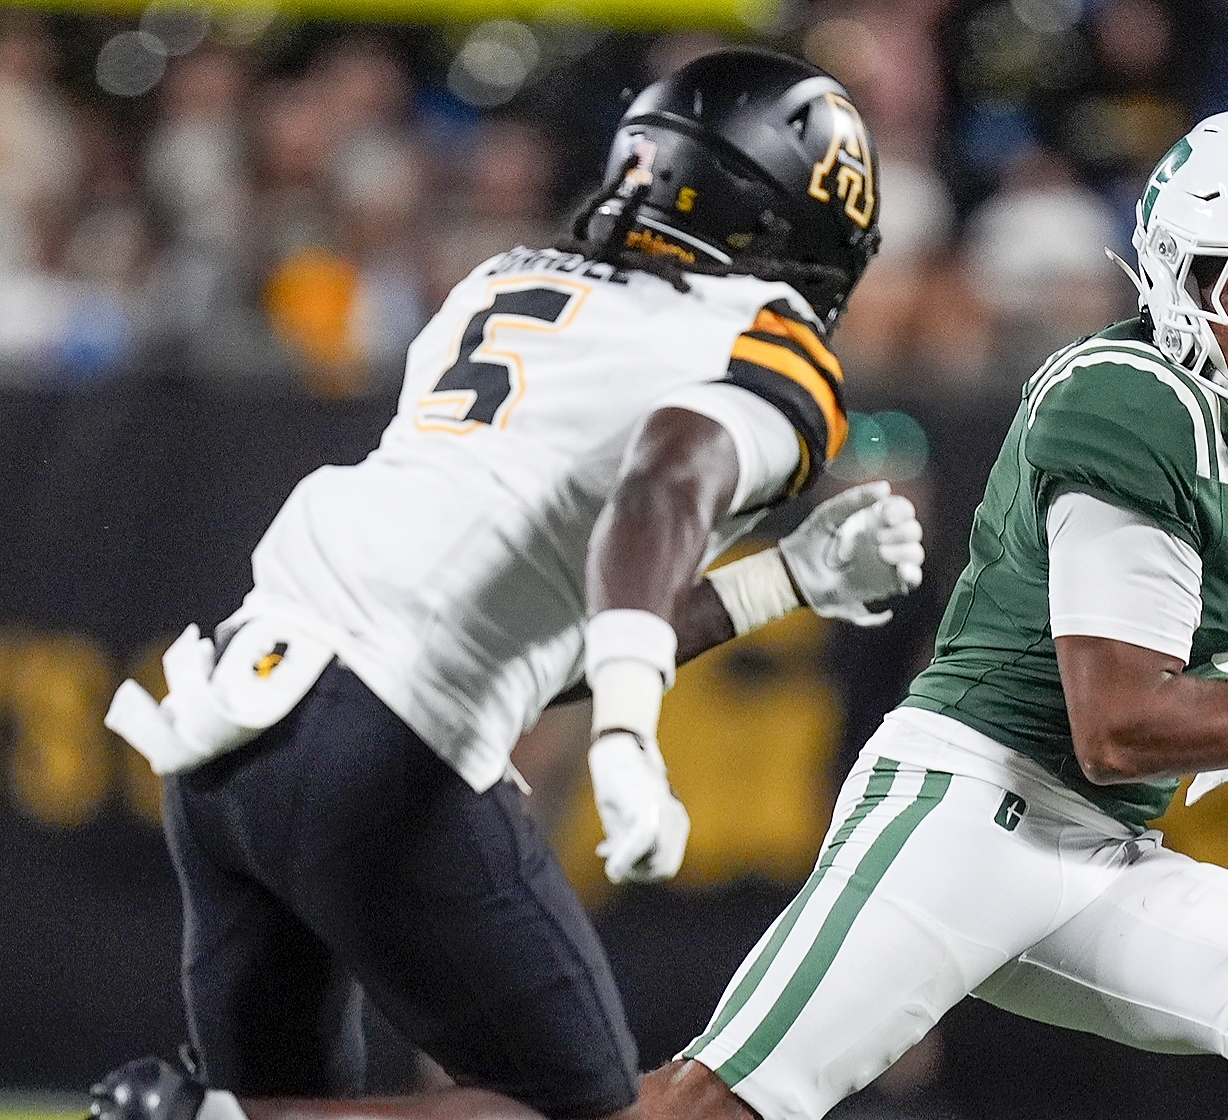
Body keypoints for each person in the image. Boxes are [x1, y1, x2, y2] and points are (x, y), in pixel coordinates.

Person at [97, 47, 920, 1120]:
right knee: (574, 1108)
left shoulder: (503, 281)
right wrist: (630, 733)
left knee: (293, 1099)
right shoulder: (760, 339)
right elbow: (665, 476)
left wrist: (787, 577)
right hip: (380, 748)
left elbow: (542, 638)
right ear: (781, 222)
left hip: (232, 729)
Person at [641, 110, 1228, 1120]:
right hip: (966, 815)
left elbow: (1207, 690)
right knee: (698, 1112)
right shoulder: (1126, 402)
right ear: (1175, 278)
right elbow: (1119, 725)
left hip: (1094, 844)